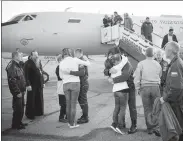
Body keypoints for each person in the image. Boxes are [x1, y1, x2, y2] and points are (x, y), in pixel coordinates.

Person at [104, 47, 137, 134]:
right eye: (109, 56)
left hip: (130, 88)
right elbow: (105, 70)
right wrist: (108, 71)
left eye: (112, 55)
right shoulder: (114, 61)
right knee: (121, 107)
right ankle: (120, 125)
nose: (110, 58)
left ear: (118, 54)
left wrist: (113, 80)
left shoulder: (126, 63)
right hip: (120, 89)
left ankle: (134, 125)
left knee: (131, 107)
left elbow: (125, 76)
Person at [59, 48, 90, 128]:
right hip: (75, 84)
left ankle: (70, 123)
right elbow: (88, 64)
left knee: (68, 105)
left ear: (63, 54)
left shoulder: (61, 62)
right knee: (73, 105)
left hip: (65, 84)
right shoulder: (75, 60)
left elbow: (61, 76)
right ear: (70, 53)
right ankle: (72, 124)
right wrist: (86, 59)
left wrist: (67, 76)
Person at [134, 47, 161, 136]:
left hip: (145, 88)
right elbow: (160, 76)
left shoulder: (141, 64)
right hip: (155, 87)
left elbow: (137, 77)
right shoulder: (157, 64)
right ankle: (156, 128)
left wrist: (138, 88)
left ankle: (149, 129)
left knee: (147, 108)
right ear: (153, 55)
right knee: (156, 108)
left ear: (145, 54)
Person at [160, 41, 183, 141]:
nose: (164, 51)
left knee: (178, 127)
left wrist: (165, 98)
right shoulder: (175, 62)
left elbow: (176, 88)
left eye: (165, 49)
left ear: (171, 51)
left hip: (176, 103)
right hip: (177, 101)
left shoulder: (175, 65)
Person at [6, 52, 28, 130]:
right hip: (17, 92)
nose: (21, 57)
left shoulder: (18, 65)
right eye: (20, 56)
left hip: (21, 90)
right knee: (17, 109)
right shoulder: (12, 66)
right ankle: (15, 125)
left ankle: (19, 122)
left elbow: (22, 78)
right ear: (15, 56)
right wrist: (17, 92)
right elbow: (12, 81)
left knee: (21, 108)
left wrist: (24, 89)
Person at [108, 54, 129, 135]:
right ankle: (120, 126)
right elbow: (125, 60)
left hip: (115, 90)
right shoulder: (120, 66)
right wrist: (122, 57)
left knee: (117, 107)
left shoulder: (112, 69)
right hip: (123, 89)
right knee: (123, 108)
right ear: (118, 61)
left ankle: (114, 123)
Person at [68, 48, 90, 124]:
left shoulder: (81, 60)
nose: (75, 56)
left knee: (83, 100)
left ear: (78, 53)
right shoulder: (83, 59)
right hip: (82, 83)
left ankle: (85, 117)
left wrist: (71, 72)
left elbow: (82, 73)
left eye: (75, 54)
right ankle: (84, 115)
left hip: (83, 83)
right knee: (81, 100)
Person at [24, 50, 45, 120]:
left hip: (39, 84)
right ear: (31, 55)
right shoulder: (28, 63)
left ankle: (38, 112)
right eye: (35, 55)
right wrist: (27, 84)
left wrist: (43, 82)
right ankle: (30, 114)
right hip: (32, 85)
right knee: (31, 100)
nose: (37, 56)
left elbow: (41, 73)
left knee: (39, 98)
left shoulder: (39, 62)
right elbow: (26, 75)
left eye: (37, 54)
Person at [55, 54, 67, 123]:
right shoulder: (58, 68)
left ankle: (66, 116)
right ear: (60, 60)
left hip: (65, 87)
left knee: (66, 103)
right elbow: (61, 77)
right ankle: (61, 117)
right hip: (61, 87)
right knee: (63, 103)